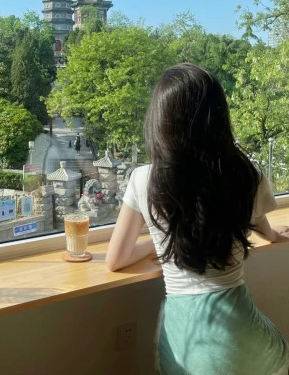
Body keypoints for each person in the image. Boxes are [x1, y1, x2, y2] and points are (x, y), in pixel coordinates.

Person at [106, 63, 289, 375]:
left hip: (185, 348)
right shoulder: (247, 175)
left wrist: (161, 241)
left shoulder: (144, 180)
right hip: (246, 344)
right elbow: (260, 225)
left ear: (160, 121)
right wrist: (274, 235)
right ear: (219, 118)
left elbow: (116, 259)